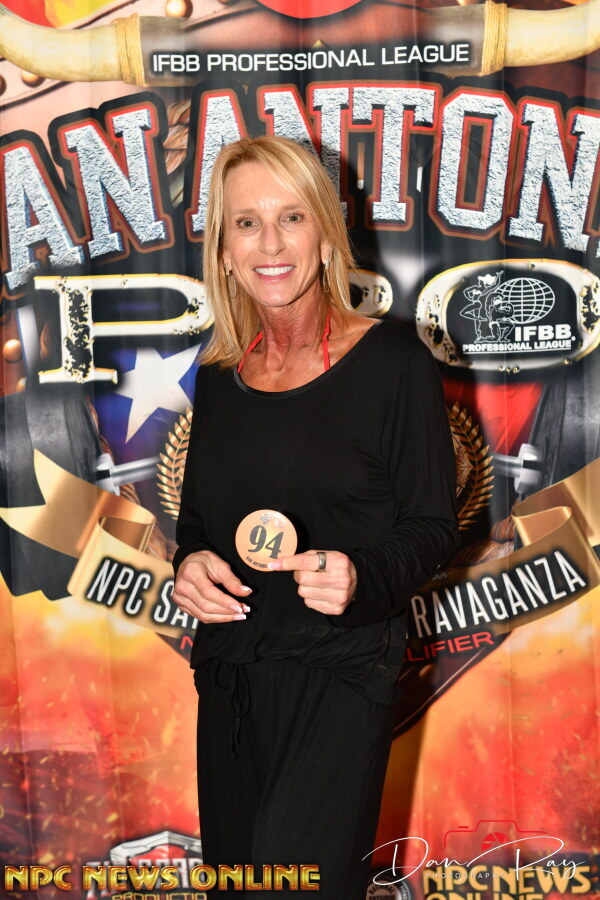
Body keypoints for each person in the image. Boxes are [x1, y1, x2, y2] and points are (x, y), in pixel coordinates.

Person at [172, 135, 459, 899]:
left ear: (327, 237)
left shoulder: (394, 364)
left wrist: (362, 575)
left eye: (291, 217)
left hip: (341, 676)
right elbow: (198, 522)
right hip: (232, 679)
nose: (269, 244)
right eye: (246, 223)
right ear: (223, 250)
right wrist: (188, 563)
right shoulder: (220, 377)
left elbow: (433, 525)